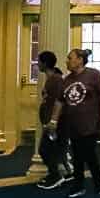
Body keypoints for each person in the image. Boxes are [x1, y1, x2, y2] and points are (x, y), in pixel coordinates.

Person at [61, 48, 100, 198]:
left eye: (70, 58)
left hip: (90, 122)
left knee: (89, 154)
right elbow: (61, 101)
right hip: (73, 124)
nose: (67, 61)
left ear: (80, 60)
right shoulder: (67, 80)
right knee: (77, 155)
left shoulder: (93, 75)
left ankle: (98, 184)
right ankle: (78, 185)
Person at [33, 50, 69, 190]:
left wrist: (52, 122)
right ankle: (63, 173)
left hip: (55, 124)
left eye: (39, 61)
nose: (37, 64)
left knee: (45, 150)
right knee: (56, 149)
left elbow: (58, 102)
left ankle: (56, 176)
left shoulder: (56, 80)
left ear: (45, 63)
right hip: (50, 122)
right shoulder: (52, 79)